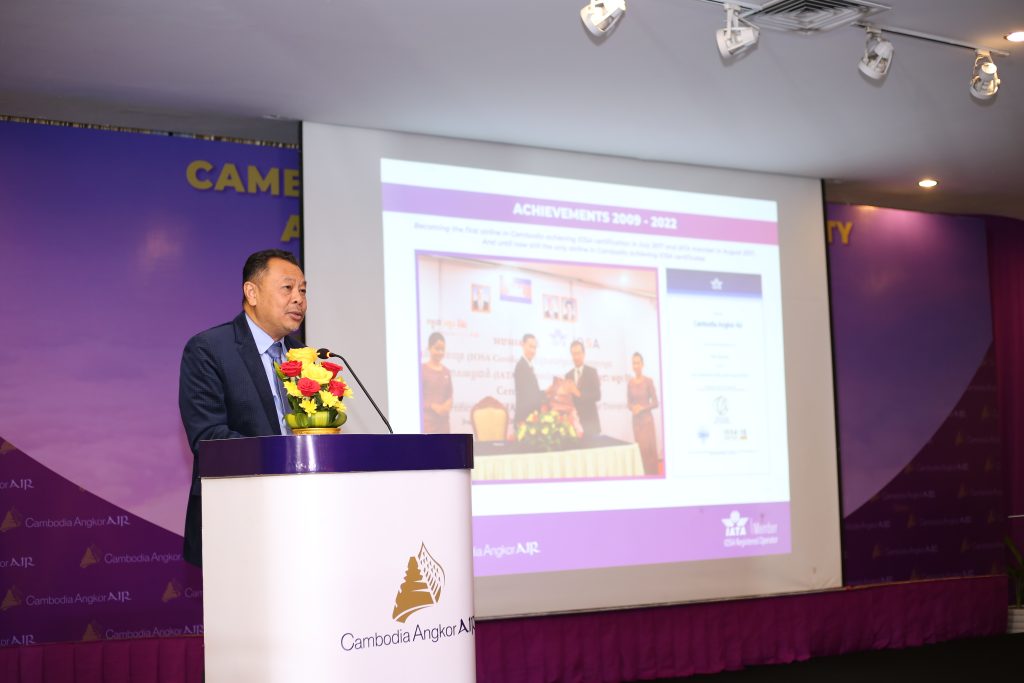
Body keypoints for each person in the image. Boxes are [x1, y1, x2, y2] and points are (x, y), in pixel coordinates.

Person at [178, 249, 307, 567]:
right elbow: (208, 438)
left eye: (303, 290)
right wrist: (285, 456)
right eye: (287, 288)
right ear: (252, 292)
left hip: (300, 514)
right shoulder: (209, 349)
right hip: (235, 516)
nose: (299, 299)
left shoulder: (304, 355)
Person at [627, 352, 660, 475]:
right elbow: (628, 403)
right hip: (636, 422)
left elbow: (656, 403)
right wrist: (633, 408)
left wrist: (642, 408)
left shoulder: (648, 381)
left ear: (642, 364)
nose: (636, 366)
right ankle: (642, 476)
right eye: (634, 363)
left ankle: (651, 476)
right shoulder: (630, 383)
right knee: (639, 451)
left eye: (638, 363)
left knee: (648, 451)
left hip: (647, 422)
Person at [564, 340, 601, 437]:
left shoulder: (592, 372)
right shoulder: (568, 375)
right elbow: (567, 400)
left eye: (578, 353)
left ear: (584, 354)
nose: (576, 357)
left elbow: (597, 395)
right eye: (573, 354)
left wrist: (579, 394)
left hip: (590, 424)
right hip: (574, 425)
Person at [421, 332, 453, 433]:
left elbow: (449, 394)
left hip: (444, 423)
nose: (440, 352)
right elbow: (417, 397)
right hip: (428, 423)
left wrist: (447, 405)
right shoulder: (422, 370)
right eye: (437, 349)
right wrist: (432, 406)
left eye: (442, 349)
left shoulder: (446, 372)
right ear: (429, 348)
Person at [513, 333, 545, 425]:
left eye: (535, 347)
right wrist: (546, 395)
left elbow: (533, 392)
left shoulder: (527, 365)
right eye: (530, 346)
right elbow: (529, 396)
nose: (533, 350)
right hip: (525, 419)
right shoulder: (521, 367)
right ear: (523, 345)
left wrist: (548, 392)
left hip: (529, 418)